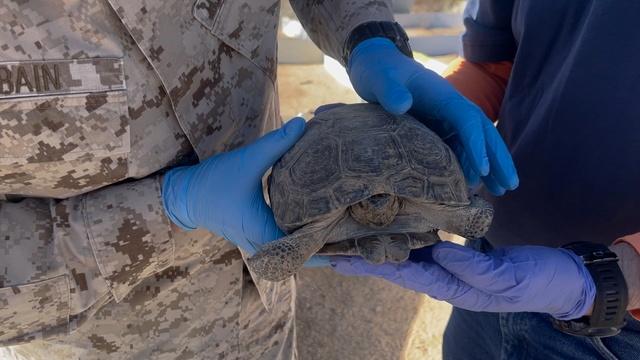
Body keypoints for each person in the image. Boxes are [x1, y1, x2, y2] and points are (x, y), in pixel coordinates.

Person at [0, 0, 515, 359]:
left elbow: (457, 212)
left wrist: (367, 34)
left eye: (380, 204)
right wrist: (169, 207)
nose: (377, 205)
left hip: (262, 325)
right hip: (102, 336)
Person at [335, 0, 640, 359]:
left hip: (612, 319)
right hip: (490, 263)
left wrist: (616, 278)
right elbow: (497, 63)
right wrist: (420, 123)